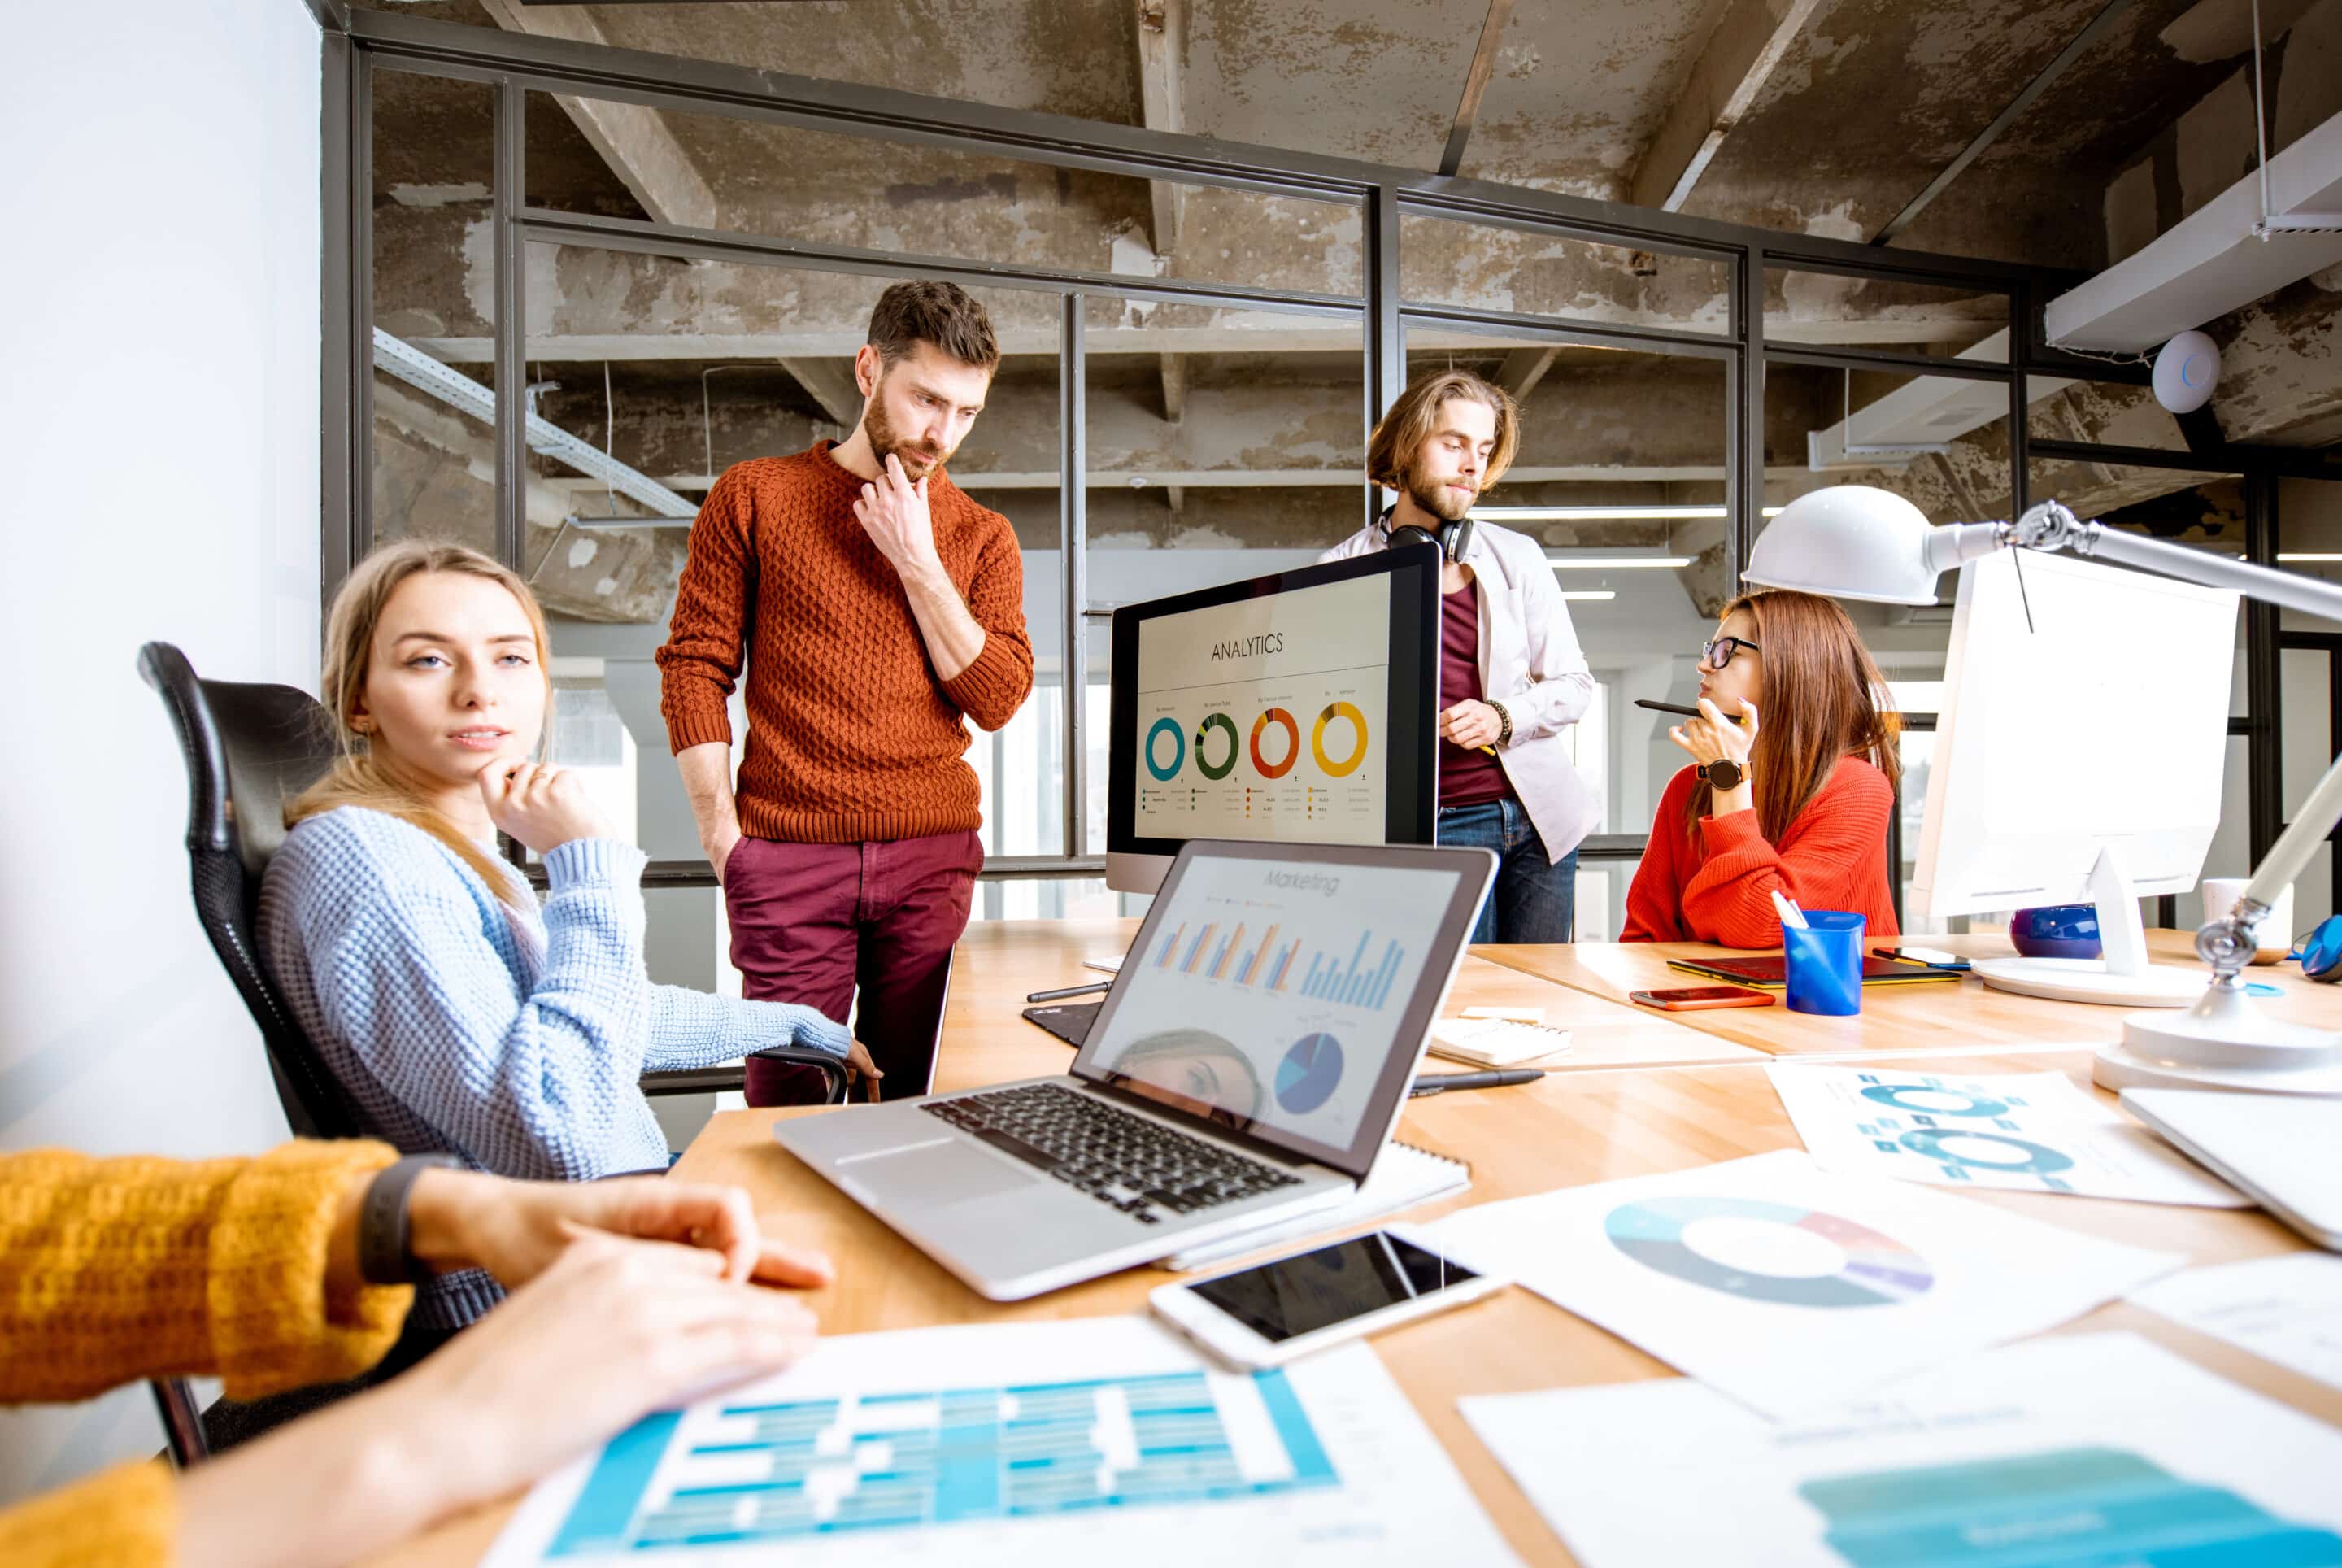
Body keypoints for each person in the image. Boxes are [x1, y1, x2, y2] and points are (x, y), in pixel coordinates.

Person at [261, 541, 875, 1329]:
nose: (480, 691)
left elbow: (605, 1019)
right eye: (426, 661)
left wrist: (796, 1024)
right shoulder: (367, 861)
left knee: (888, 1192)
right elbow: (560, 1128)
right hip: (541, 1301)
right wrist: (588, 863)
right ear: (359, 700)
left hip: (609, 1241)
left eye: (511, 658)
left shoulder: (448, 851)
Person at [0, 1141, 827, 1568]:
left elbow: (24, 1236)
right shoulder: (363, 863)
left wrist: (439, 1209)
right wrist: (433, 1429)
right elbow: (560, 1115)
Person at [658, 280, 1034, 1106]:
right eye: (925, 399)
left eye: (967, 411)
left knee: (918, 1104)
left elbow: (999, 696)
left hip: (930, 857)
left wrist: (918, 560)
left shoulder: (981, 536)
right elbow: (695, 665)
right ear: (869, 370)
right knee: (790, 1105)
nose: (942, 433)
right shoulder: (754, 497)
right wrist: (725, 836)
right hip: (786, 858)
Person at [1320, 368, 1597, 943]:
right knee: (1467, 1001)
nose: (1474, 465)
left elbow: (1575, 684)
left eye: (1485, 449)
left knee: (1538, 1002)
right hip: (1437, 829)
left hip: (1541, 821)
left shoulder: (1517, 556)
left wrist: (1502, 716)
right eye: (1454, 444)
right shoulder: (1340, 573)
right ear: (1406, 447)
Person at [1623, 589, 1901, 947]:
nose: (1704, 665)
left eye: (1727, 652)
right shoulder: (1688, 787)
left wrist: (1729, 778)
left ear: (1791, 665)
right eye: (1710, 651)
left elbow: (1764, 923)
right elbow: (1644, 937)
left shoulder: (1858, 789)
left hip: (1831, 1000)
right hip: (1712, 998)